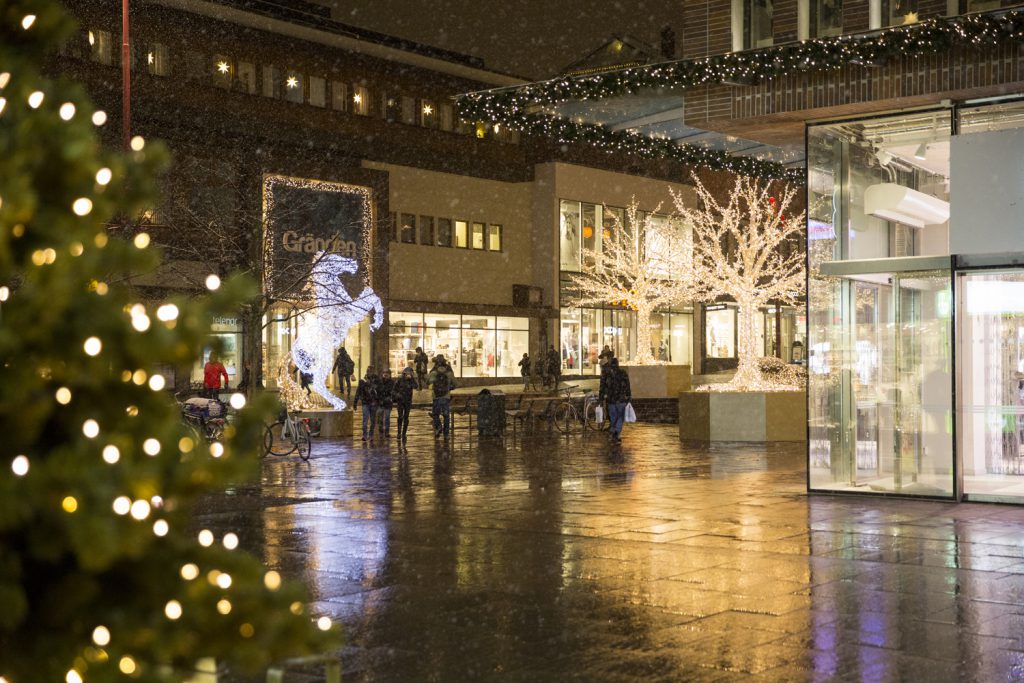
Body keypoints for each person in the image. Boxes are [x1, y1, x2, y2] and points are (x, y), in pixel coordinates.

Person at [599, 357, 631, 443]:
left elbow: (603, 387)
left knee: (613, 418)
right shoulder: (623, 373)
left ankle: (614, 431)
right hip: (621, 400)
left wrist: (601, 397)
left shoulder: (607, 374)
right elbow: (627, 386)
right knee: (620, 417)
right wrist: (628, 397)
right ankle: (616, 432)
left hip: (611, 400)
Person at [427, 355, 456, 438]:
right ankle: (446, 434)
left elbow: (428, 381)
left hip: (436, 395)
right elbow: (454, 382)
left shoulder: (434, 369)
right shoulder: (448, 369)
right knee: (446, 415)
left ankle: (438, 427)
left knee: (436, 414)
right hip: (446, 396)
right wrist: (451, 387)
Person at [353, 366, 380, 441]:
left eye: (371, 371)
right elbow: (358, 391)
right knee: (365, 420)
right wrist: (355, 402)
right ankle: (365, 435)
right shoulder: (362, 381)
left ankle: (371, 435)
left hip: (374, 403)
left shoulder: (377, 380)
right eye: (368, 371)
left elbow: (380, 391)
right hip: (365, 402)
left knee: (373, 420)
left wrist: (379, 401)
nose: (369, 372)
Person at [393, 367, 417, 441]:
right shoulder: (399, 380)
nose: (408, 375)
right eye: (407, 373)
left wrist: (412, 379)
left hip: (408, 401)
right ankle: (399, 432)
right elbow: (394, 390)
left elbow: (416, 386)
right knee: (400, 417)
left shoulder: (411, 381)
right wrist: (397, 395)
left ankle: (404, 433)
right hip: (400, 401)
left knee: (406, 417)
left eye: (409, 373)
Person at [376, 368, 395, 438]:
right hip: (381, 402)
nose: (385, 374)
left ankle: (387, 431)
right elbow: (377, 391)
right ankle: (380, 428)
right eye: (384, 373)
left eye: (387, 373)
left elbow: (393, 391)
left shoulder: (392, 382)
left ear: (390, 375)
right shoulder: (380, 382)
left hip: (388, 403)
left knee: (387, 418)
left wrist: (390, 398)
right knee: (380, 417)